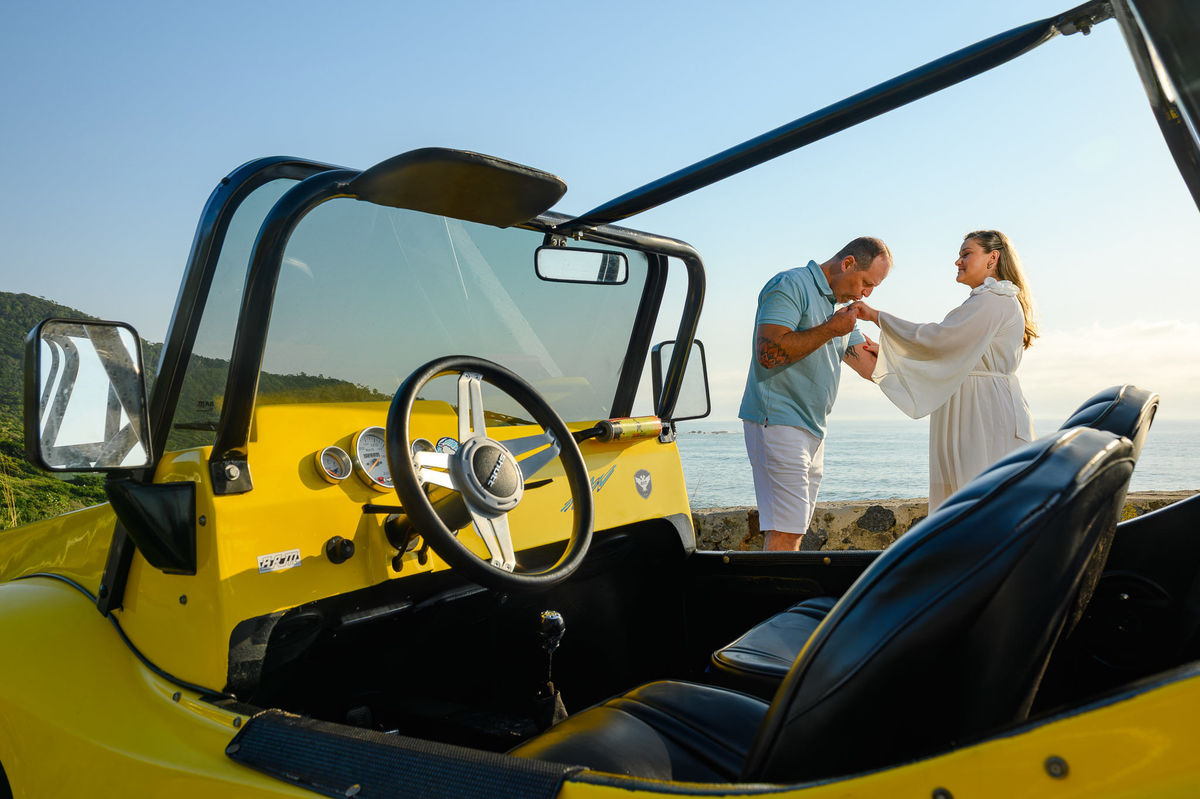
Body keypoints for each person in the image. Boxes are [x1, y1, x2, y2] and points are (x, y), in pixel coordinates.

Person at [851, 229, 1037, 512]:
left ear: (993, 258)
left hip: (983, 412)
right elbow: (951, 352)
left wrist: (877, 316)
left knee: (978, 499)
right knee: (970, 499)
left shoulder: (995, 299)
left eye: (966, 254)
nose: (957, 261)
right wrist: (890, 353)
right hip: (974, 404)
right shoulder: (986, 300)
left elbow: (939, 340)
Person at [739, 237, 893, 551]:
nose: (866, 293)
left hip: (812, 429)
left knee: (792, 531)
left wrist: (933, 366)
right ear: (848, 263)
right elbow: (767, 353)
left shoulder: (838, 312)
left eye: (873, 287)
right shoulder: (790, 284)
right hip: (778, 422)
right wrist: (830, 330)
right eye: (865, 283)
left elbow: (869, 366)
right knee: (785, 532)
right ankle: (777, 601)